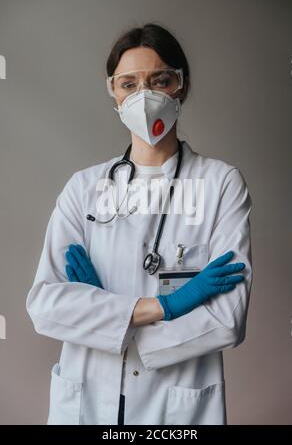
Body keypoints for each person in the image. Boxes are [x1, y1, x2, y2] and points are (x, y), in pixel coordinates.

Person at [26, 23, 253, 425]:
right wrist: (162, 307)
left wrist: (107, 316)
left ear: (180, 86)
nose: (144, 96)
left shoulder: (220, 184)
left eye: (160, 80)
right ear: (113, 92)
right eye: (129, 84)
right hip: (87, 398)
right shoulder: (84, 188)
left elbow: (226, 321)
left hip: (176, 406)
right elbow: (45, 306)